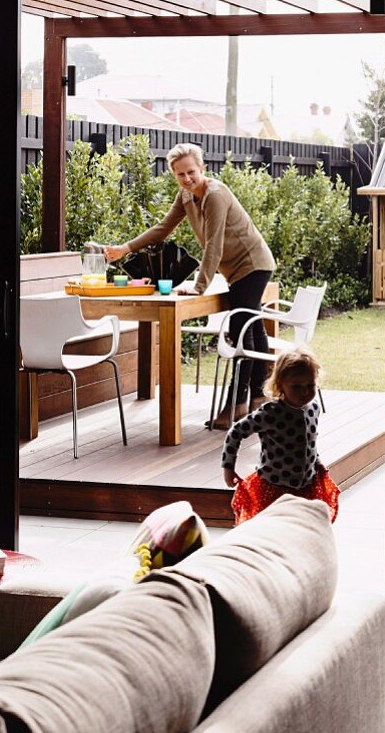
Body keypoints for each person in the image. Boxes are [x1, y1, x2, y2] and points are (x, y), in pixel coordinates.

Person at [104, 141, 276, 429]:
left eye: (191, 172)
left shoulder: (216, 195)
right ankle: (258, 397)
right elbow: (163, 228)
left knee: (241, 329)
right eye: (180, 174)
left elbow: (213, 246)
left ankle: (237, 403)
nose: (187, 179)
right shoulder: (185, 196)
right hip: (237, 271)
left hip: (253, 264)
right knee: (253, 328)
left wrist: (199, 287)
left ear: (202, 169)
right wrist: (126, 248)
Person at [221, 347, 340, 525]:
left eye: (310, 385)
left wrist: (317, 463)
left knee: (304, 527)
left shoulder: (313, 408)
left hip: (306, 486)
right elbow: (235, 433)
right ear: (280, 385)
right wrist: (228, 467)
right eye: (296, 386)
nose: (305, 392)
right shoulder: (271, 412)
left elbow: (309, 444)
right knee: (274, 528)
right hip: (275, 487)